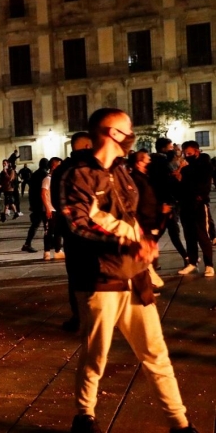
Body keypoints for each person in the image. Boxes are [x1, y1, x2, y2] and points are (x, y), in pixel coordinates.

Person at [60, 108, 197, 433]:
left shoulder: (122, 170)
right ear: (111, 133)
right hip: (100, 278)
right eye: (127, 128)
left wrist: (144, 238)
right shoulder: (77, 174)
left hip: (135, 274)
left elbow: (129, 215)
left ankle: (180, 424)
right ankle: (84, 418)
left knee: (156, 354)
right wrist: (124, 239)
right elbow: (79, 224)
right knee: (96, 355)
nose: (132, 133)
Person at [48, 132, 93, 333]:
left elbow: (57, 202)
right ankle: (97, 316)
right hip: (93, 231)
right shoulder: (92, 168)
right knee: (95, 273)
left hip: (71, 232)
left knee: (76, 275)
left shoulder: (61, 170)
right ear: (85, 146)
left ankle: (79, 316)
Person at [176, 141, 214, 276]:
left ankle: (209, 265)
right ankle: (192, 262)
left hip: (198, 205)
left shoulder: (205, 166)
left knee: (202, 235)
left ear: (197, 152)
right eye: (185, 153)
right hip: (185, 205)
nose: (187, 156)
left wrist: (194, 193)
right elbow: (180, 187)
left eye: (189, 153)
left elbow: (203, 187)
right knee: (189, 235)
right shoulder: (185, 168)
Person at [128, 150, 166, 288]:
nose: (150, 162)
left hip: (150, 219)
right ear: (139, 163)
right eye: (147, 159)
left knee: (151, 254)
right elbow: (139, 203)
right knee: (147, 256)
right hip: (144, 222)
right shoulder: (136, 179)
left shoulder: (146, 177)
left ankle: (148, 285)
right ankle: (146, 286)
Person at [148, 138, 187, 268]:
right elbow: (165, 183)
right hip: (166, 203)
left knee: (167, 231)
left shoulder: (158, 161)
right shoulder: (162, 162)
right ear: (164, 148)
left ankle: (185, 257)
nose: (173, 150)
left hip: (164, 202)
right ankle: (149, 260)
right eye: (170, 148)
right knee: (164, 231)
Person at [21, 158, 49, 254]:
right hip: (42, 203)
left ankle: (27, 243)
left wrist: (31, 203)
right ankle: (28, 244)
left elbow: (31, 191)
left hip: (36, 203)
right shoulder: (45, 175)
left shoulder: (35, 174)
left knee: (36, 224)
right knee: (45, 224)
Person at [42, 157, 64, 261]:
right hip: (50, 209)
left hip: (56, 209)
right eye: (59, 165)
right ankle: (47, 252)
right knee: (49, 231)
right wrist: (47, 208)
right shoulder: (48, 179)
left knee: (58, 231)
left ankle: (57, 250)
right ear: (54, 166)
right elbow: (43, 193)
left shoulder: (55, 179)